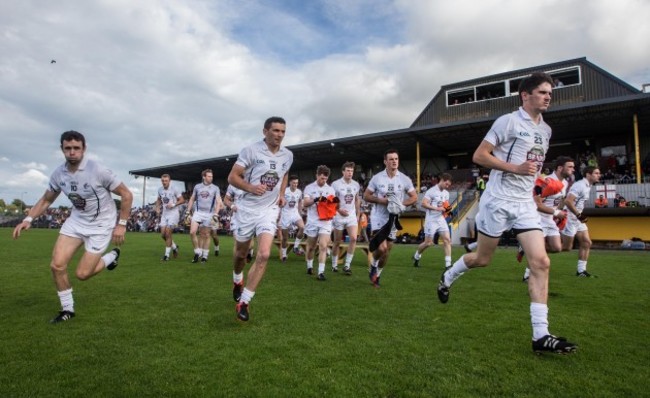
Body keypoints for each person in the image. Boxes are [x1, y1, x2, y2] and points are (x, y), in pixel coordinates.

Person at [436, 72, 578, 354]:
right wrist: (515, 169)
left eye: (550, 92)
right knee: (482, 259)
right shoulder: (508, 122)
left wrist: (540, 183)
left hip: (524, 203)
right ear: (525, 95)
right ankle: (448, 277)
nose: (548, 96)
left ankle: (541, 336)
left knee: (541, 262)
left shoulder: (546, 130)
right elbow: (479, 156)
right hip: (498, 201)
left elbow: (532, 167)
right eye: (542, 92)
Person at [12, 130, 133, 323]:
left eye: (76, 148)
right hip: (76, 222)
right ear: (62, 149)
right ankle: (67, 309)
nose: (72, 152)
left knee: (83, 274)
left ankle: (111, 257)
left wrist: (122, 224)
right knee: (57, 265)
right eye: (68, 148)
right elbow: (46, 200)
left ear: (84, 149)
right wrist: (28, 219)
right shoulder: (59, 174)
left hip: (101, 225)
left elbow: (127, 195)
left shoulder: (98, 170)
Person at [228, 116, 293, 321]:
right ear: (265, 132)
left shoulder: (288, 155)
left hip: (268, 211)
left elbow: (284, 174)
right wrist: (251, 187)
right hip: (247, 209)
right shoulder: (251, 151)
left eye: (282, 131)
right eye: (275, 131)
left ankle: (244, 302)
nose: (279, 135)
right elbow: (232, 177)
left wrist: (281, 194)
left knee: (264, 254)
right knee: (240, 254)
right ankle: (237, 279)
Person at [363, 149, 417, 287]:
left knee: (387, 252)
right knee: (381, 248)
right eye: (391, 159)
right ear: (385, 161)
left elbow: (414, 197)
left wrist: (399, 204)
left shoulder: (404, 179)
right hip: (378, 217)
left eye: (396, 159)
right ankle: (373, 266)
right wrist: (382, 201)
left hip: (393, 219)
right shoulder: (377, 178)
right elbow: (366, 196)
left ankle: (377, 275)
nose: (394, 161)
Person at [520, 156, 575, 281]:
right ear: (560, 168)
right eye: (570, 167)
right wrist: (556, 213)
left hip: (550, 219)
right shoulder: (544, 181)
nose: (573, 169)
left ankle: (527, 249)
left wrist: (559, 211)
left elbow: (558, 200)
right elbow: (537, 204)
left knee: (556, 248)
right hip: (537, 218)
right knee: (538, 251)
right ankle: (527, 275)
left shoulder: (565, 183)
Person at [561, 166, 601, 277]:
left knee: (586, 243)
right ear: (588, 174)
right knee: (566, 247)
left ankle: (581, 271)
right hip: (570, 217)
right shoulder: (580, 185)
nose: (599, 175)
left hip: (577, 218)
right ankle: (533, 250)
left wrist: (579, 216)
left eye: (599, 173)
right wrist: (579, 215)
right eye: (596, 173)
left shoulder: (587, 185)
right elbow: (568, 201)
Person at [302, 165, 337, 280]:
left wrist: (332, 202)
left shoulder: (330, 189)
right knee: (311, 247)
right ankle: (309, 266)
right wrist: (316, 199)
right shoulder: (309, 188)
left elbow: (334, 205)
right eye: (321, 178)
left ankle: (321, 272)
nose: (323, 180)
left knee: (323, 246)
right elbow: (305, 203)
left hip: (325, 222)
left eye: (325, 179)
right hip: (312, 221)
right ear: (317, 175)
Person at [413, 173, 453, 269]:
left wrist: (449, 211)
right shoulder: (431, 191)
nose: (447, 186)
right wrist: (437, 208)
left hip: (441, 219)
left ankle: (448, 265)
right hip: (431, 220)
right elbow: (423, 204)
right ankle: (416, 256)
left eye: (449, 185)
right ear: (442, 180)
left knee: (447, 240)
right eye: (446, 184)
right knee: (428, 243)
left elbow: (446, 205)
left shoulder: (446, 193)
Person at [330, 161, 361, 275]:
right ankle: (334, 264)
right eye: (348, 170)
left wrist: (357, 214)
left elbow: (357, 199)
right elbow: (331, 201)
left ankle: (347, 265)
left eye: (352, 171)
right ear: (343, 171)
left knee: (353, 238)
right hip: (338, 216)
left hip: (351, 216)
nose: (350, 173)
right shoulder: (335, 184)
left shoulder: (356, 184)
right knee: (337, 241)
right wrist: (339, 210)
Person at [185, 169, 222, 263]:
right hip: (198, 212)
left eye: (212, 176)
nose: (211, 178)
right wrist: (187, 211)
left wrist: (216, 214)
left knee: (206, 234)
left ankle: (204, 256)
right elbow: (192, 199)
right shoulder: (197, 187)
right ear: (204, 177)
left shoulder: (215, 188)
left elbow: (218, 202)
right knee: (192, 232)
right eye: (209, 176)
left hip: (210, 214)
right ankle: (197, 251)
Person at [155, 174, 185, 261]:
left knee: (168, 234)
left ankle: (166, 256)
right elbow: (159, 199)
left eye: (166, 181)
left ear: (169, 181)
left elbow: (182, 200)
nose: (164, 182)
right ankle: (175, 247)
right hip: (164, 214)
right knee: (163, 235)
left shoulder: (174, 189)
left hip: (173, 213)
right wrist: (157, 207)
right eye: (163, 181)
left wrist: (174, 204)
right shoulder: (160, 190)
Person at [279, 175, 305, 261]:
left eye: (297, 183)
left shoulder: (299, 192)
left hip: (294, 213)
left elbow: (300, 201)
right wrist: (281, 206)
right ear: (290, 182)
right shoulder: (285, 191)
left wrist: (300, 213)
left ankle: (296, 247)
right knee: (285, 238)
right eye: (294, 183)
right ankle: (284, 255)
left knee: (302, 227)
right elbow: (279, 202)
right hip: (285, 215)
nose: (295, 184)